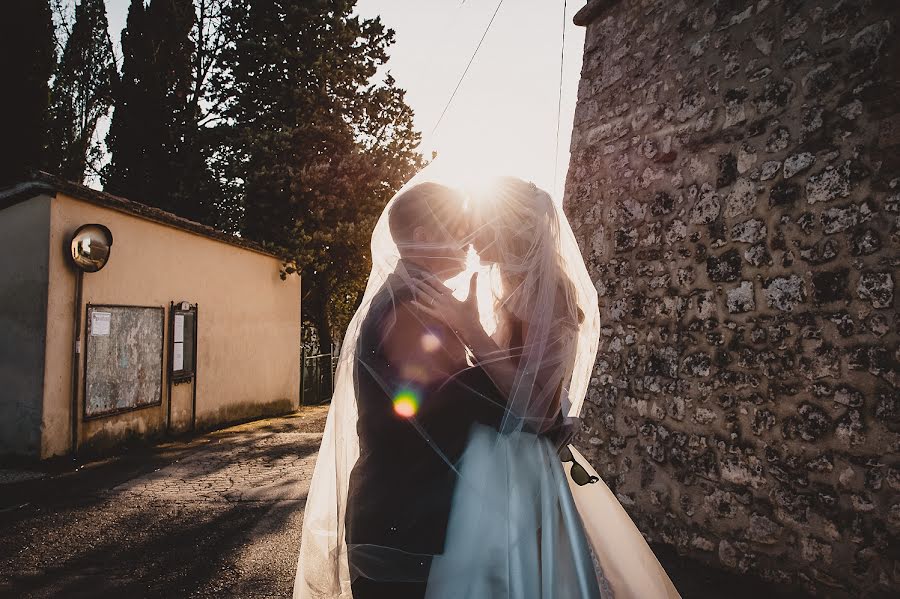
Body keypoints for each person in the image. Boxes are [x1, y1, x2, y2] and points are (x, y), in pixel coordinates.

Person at [293, 181, 506, 599]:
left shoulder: (414, 295)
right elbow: (437, 405)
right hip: (404, 520)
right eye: (455, 224)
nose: (467, 234)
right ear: (425, 237)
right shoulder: (410, 306)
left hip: (399, 513)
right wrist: (517, 391)